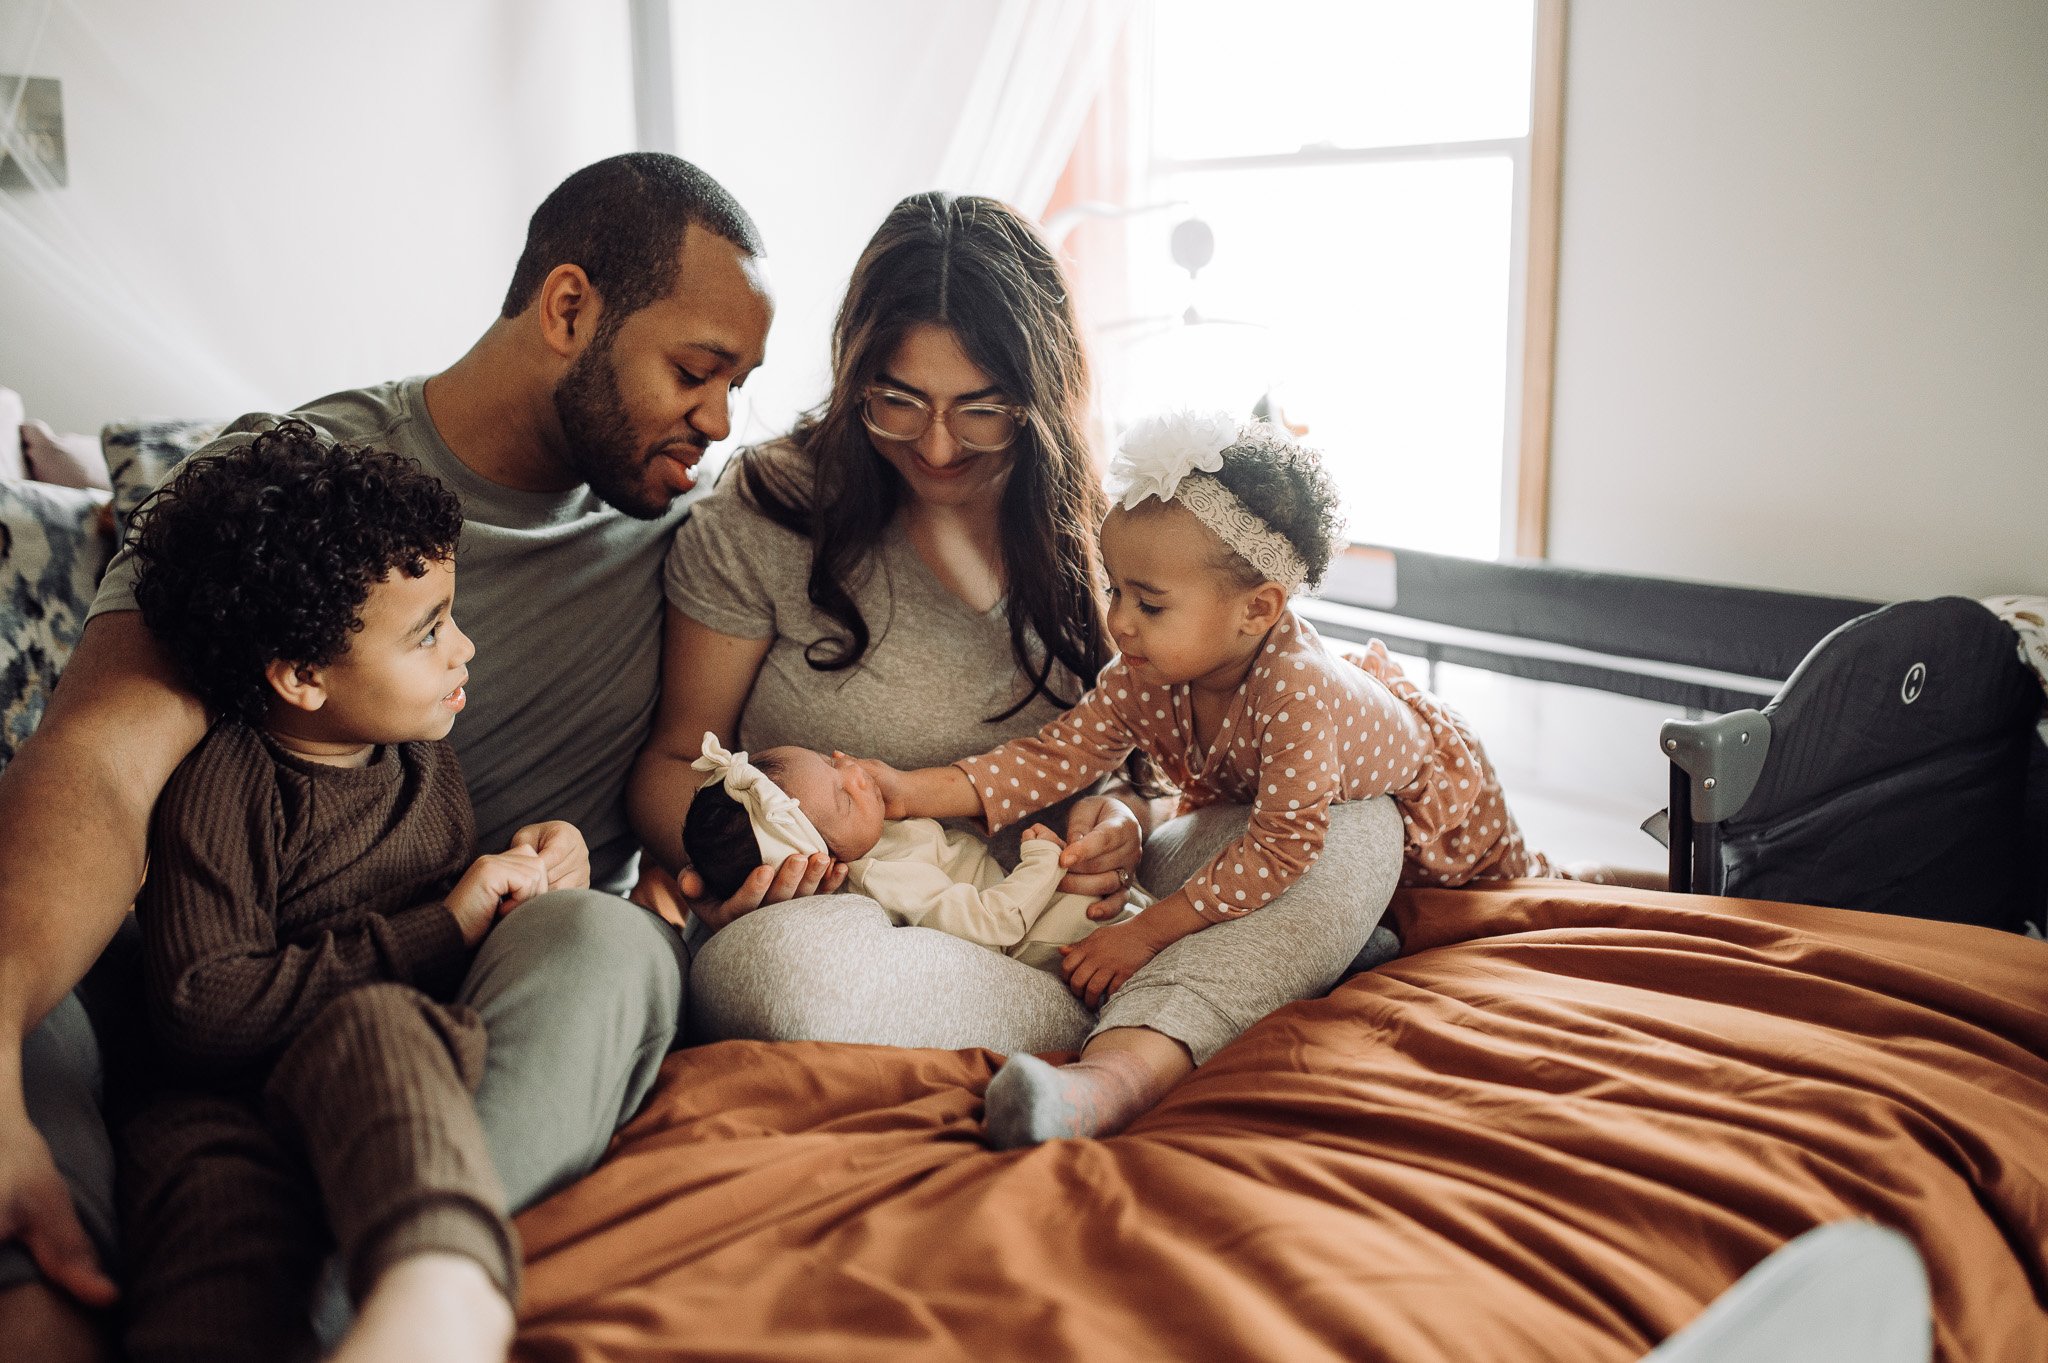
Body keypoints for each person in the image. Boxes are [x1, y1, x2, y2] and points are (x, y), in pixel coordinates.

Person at [0, 152, 776, 1361]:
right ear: (568, 308)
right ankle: (50, 1295)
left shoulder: (702, 553)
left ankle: (395, 1298)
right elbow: (96, 768)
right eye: (695, 369)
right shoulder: (289, 489)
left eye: (742, 382)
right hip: (206, 987)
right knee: (24, 986)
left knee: (611, 941)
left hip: (452, 1014)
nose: (722, 421)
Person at [631, 192, 1407, 1137]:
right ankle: (1199, 1002)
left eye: (982, 411)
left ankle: (1139, 1039)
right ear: (853, 378)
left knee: (1354, 821)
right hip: (873, 915)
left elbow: (1152, 779)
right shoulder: (769, 510)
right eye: (898, 401)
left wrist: (1121, 817)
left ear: (1037, 398)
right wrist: (754, 848)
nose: (939, 444)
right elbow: (673, 763)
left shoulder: (1108, 530)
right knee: (782, 977)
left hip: (1090, 908)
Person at [865, 412, 1559, 1145]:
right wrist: (908, 791)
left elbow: (1285, 847)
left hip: (1436, 822)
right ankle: (1344, 945)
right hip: (1279, 825)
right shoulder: (1144, 674)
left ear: (1256, 609)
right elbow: (1053, 756)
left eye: (1150, 603)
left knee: (1537, 884)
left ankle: (1128, 1073)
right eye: (1115, 592)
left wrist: (1150, 933)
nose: (1121, 623)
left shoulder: (1296, 691)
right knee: (1270, 880)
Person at [119, 423, 562, 1363]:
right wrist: (446, 924)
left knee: (381, 1032)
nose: (465, 649)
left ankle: (438, 1295)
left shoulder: (419, 755)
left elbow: (444, 897)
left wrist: (528, 862)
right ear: (300, 675)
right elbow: (202, 1005)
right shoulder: (226, 782)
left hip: (372, 1071)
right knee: (212, 1221)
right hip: (218, 1104)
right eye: (430, 631)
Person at [682, 736, 1136, 974]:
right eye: (844, 797)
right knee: (1153, 935)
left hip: (1059, 890)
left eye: (831, 761)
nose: (854, 771)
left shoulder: (876, 833)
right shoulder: (884, 877)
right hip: (1045, 940)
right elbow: (993, 925)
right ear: (820, 861)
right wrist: (1043, 859)